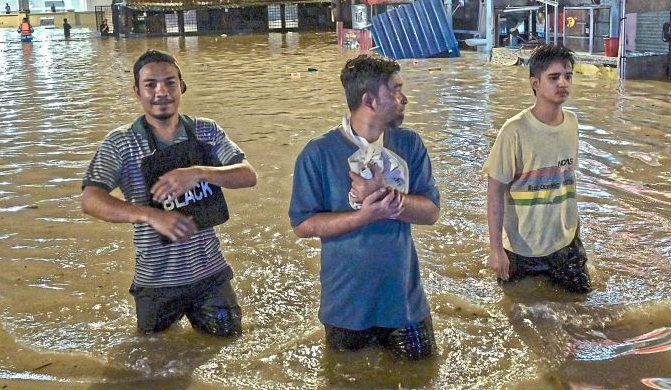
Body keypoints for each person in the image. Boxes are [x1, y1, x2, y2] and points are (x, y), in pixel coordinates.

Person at [80, 50, 257, 336]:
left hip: (210, 274)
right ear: (137, 91)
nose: (161, 91)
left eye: (170, 82)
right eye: (151, 84)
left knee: (229, 342)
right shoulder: (121, 143)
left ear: (181, 86)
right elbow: (90, 199)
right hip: (156, 281)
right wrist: (150, 215)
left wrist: (199, 172)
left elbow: (247, 175)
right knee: (153, 358)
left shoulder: (205, 131)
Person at [289, 53, 442, 360]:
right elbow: (302, 226)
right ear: (370, 100)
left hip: (405, 304)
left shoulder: (409, 144)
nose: (405, 98)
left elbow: (431, 212)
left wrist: (387, 196)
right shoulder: (318, 153)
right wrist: (364, 216)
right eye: (396, 90)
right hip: (345, 306)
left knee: (423, 385)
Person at [485, 44, 590, 295]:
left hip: (565, 243)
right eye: (554, 78)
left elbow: (566, 179)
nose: (563, 83)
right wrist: (496, 250)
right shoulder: (514, 131)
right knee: (520, 314)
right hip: (522, 249)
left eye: (568, 76)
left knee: (581, 307)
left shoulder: (572, 123)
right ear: (535, 83)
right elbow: (495, 192)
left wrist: (575, 226)